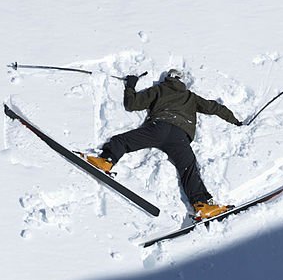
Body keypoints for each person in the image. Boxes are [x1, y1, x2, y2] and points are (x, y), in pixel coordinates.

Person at [84, 68, 244, 220]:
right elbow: (214, 107)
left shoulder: (159, 90)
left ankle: (106, 161)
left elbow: (132, 104)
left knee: (122, 141)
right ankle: (201, 204)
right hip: (179, 136)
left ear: (167, 79)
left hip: (158, 128)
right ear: (182, 82)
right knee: (189, 169)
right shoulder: (190, 96)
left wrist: (131, 85)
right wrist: (236, 121)